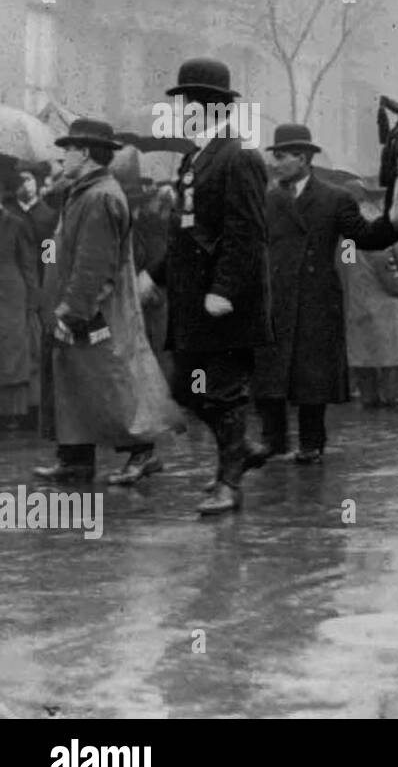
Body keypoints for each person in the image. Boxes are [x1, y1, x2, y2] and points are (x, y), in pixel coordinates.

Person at [139, 58, 273, 514]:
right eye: (182, 104)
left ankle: (229, 484)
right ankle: (244, 449)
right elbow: (185, 233)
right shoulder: (194, 159)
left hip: (226, 302)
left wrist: (226, 290)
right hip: (193, 300)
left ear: (215, 108)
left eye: (191, 103)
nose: (183, 111)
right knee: (184, 390)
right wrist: (153, 275)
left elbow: (247, 233)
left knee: (221, 389)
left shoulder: (240, 156)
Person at [30, 120, 180, 484]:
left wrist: (73, 310)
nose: (62, 156)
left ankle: (142, 452)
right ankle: (75, 459)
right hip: (85, 309)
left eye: (67, 150)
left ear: (83, 153)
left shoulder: (99, 196)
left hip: (96, 313)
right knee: (80, 382)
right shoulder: (87, 192)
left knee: (112, 382)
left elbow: (94, 265)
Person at [253, 124, 398, 463]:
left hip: (315, 296)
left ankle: (311, 444)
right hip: (275, 298)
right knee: (272, 374)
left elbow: (365, 237)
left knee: (311, 375)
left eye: (282, 156)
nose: (276, 164)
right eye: (275, 157)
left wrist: (395, 220)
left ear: (303, 158)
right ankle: (273, 441)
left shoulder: (335, 198)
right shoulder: (268, 200)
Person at [340, 185, 398, 409]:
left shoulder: (346, 227)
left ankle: (369, 396)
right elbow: (383, 262)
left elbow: (347, 262)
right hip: (382, 299)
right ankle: (393, 394)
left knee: (363, 351)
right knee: (392, 349)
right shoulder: (372, 222)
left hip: (358, 294)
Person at [0, 203, 37, 427]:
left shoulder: (18, 223)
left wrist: (36, 298)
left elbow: (33, 261)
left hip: (11, 294)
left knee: (12, 351)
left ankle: (14, 413)